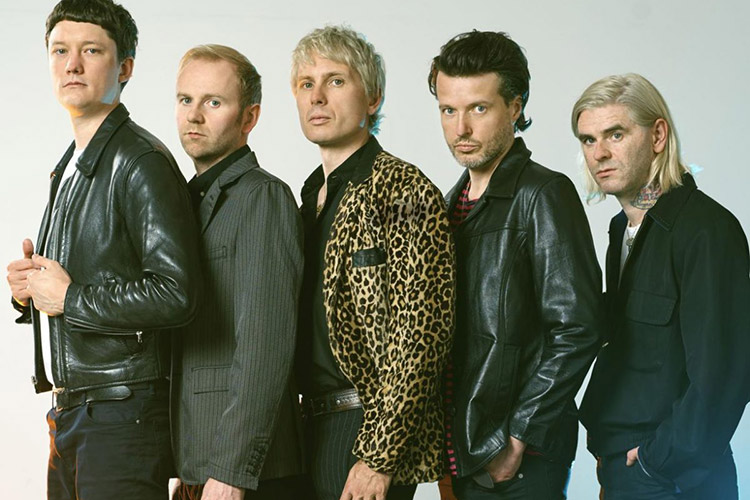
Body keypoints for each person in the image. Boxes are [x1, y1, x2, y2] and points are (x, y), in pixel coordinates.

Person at [5, 0, 200, 498]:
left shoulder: (139, 161)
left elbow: (176, 293)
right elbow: (93, 274)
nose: (72, 64)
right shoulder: (71, 165)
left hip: (121, 415)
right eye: (60, 50)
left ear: (125, 67)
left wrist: (70, 298)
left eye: (91, 50)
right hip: (74, 413)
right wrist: (30, 292)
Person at [428, 30, 602, 499]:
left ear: (515, 107)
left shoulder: (542, 194)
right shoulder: (449, 207)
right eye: (449, 110)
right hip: (463, 454)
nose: (461, 128)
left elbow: (578, 327)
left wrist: (519, 438)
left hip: (516, 460)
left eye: (478, 108)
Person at [291, 25, 455, 500]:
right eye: (306, 84)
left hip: (363, 426)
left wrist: (378, 457)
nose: (317, 97)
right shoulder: (306, 198)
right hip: (307, 426)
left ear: (373, 97)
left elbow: (422, 335)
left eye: (336, 81)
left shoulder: (405, 191)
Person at [572, 73, 750, 500]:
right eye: (589, 139)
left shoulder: (706, 229)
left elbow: (724, 375)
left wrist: (659, 461)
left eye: (615, 134)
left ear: (657, 136)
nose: (599, 153)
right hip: (625, 468)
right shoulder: (623, 229)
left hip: (674, 479)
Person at [170, 44, 306, 500]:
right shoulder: (186, 201)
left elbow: (265, 344)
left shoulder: (263, 198)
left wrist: (232, 470)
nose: (194, 115)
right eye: (185, 99)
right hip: (195, 464)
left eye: (213, 102)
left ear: (249, 117)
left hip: (247, 475)